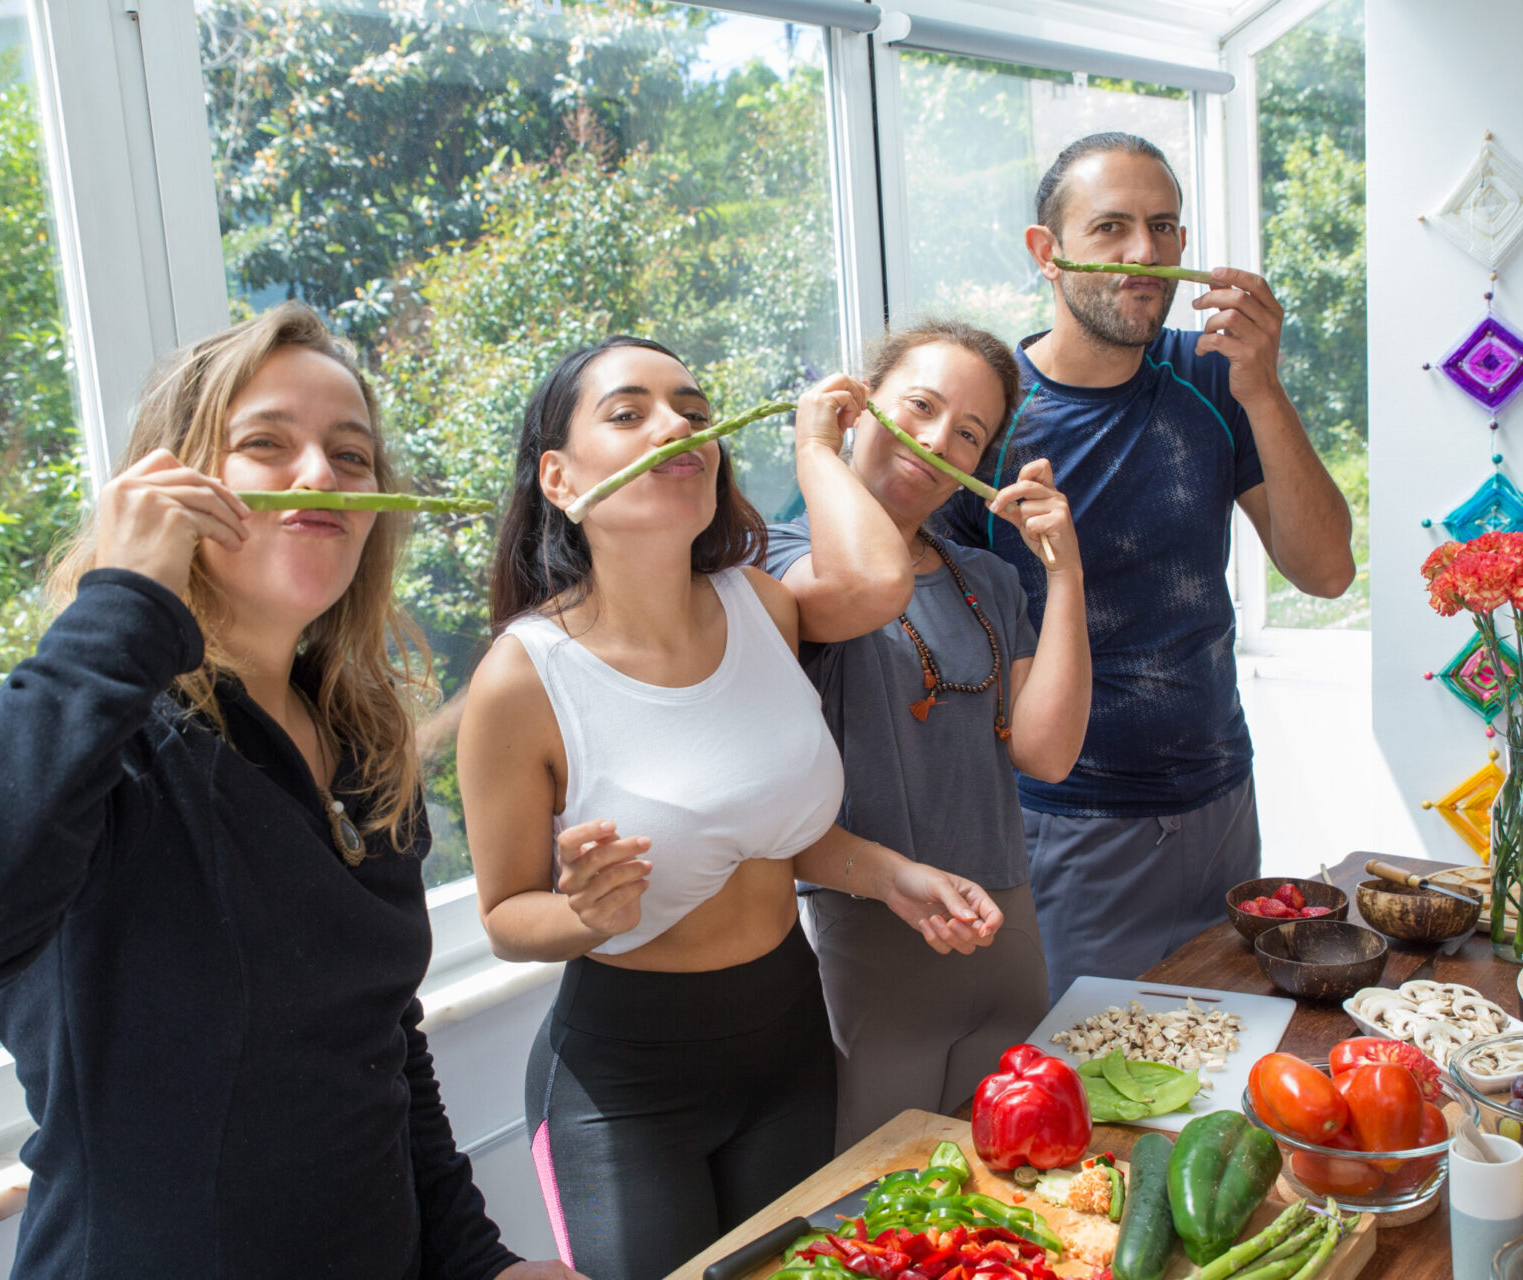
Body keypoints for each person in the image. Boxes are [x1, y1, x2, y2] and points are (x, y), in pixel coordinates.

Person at [0, 303, 579, 1280]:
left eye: (351, 454)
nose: (319, 474)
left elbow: (379, 1045)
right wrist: (122, 603)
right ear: (175, 484)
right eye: (266, 444)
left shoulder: (362, 741)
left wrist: (477, 1257)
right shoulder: (108, 735)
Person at [459, 336, 1006, 1280]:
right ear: (558, 476)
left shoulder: (762, 603)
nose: (679, 428)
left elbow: (775, 835)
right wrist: (586, 913)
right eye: (630, 413)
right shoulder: (521, 678)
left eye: (695, 413)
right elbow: (508, 918)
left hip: (790, 1044)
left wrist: (892, 876)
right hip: (624, 1086)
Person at [939, 131, 1356, 995]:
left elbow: (1325, 572)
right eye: (1112, 229)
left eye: (1164, 229)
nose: (1145, 255)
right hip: (1072, 828)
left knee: (1222, 1064)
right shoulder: (989, 422)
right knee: (1099, 1093)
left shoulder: (1213, 376)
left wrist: (1265, 386)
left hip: (1223, 804)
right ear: (1044, 254)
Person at [766, 320, 1092, 1149]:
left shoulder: (983, 575)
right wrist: (817, 452)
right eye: (920, 405)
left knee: (1005, 1191)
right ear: (861, 402)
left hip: (1005, 929)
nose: (939, 439)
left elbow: (1047, 753)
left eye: (970, 433)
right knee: (879, 1211)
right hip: (874, 934)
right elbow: (868, 581)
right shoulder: (780, 564)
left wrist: (1063, 570)